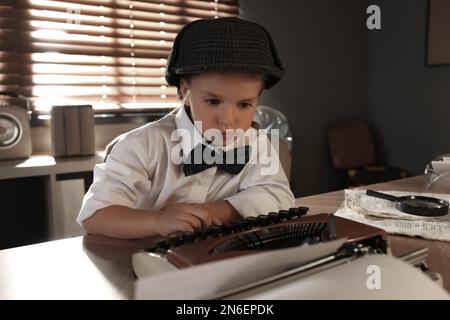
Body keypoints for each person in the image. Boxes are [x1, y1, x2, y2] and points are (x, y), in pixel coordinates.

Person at [77, 17, 295, 239]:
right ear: (184, 91)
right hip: (143, 261)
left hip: (224, 258)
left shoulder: (257, 144)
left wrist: (217, 211)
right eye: (213, 101)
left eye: (244, 104)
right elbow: (95, 215)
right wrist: (158, 221)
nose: (228, 120)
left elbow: (279, 196)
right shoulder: (142, 146)